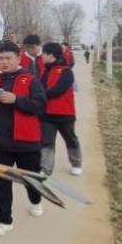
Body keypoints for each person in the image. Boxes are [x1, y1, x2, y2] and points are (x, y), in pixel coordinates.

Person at [0, 41, 47, 237]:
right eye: (1, 58)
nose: (4, 62)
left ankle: (35, 200)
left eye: (8, 58)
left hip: (27, 141)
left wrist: (16, 100)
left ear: (19, 59)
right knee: (1, 182)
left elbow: (40, 106)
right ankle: (4, 220)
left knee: (30, 178)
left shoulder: (31, 80)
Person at [40, 42, 83, 176]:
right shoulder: (45, 71)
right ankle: (46, 169)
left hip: (65, 113)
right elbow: (40, 87)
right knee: (47, 142)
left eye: (44, 53)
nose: (42, 56)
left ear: (51, 55)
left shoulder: (66, 71)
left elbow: (58, 90)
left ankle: (76, 163)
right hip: (47, 114)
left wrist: (41, 95)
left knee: (70, 139)